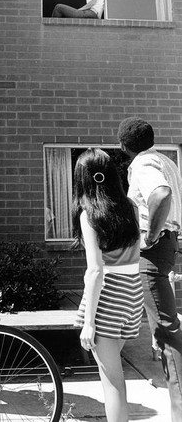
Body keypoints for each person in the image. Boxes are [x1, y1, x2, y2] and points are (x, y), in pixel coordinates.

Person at [117, 117, 182, 422]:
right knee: (163, 329)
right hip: (168, 244)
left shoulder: (142, 165)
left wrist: (151, 236)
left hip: (154, 250)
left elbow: (161, 194)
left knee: (166, 331)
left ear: (123, 145)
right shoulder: (165, 160)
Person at [73, 148, 143, 422]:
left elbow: (95, 272)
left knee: (112, 381)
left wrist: (89, 321)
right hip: (132, 292)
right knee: (114, 376)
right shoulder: (131, 208)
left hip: (108, 296)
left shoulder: (88, 215)